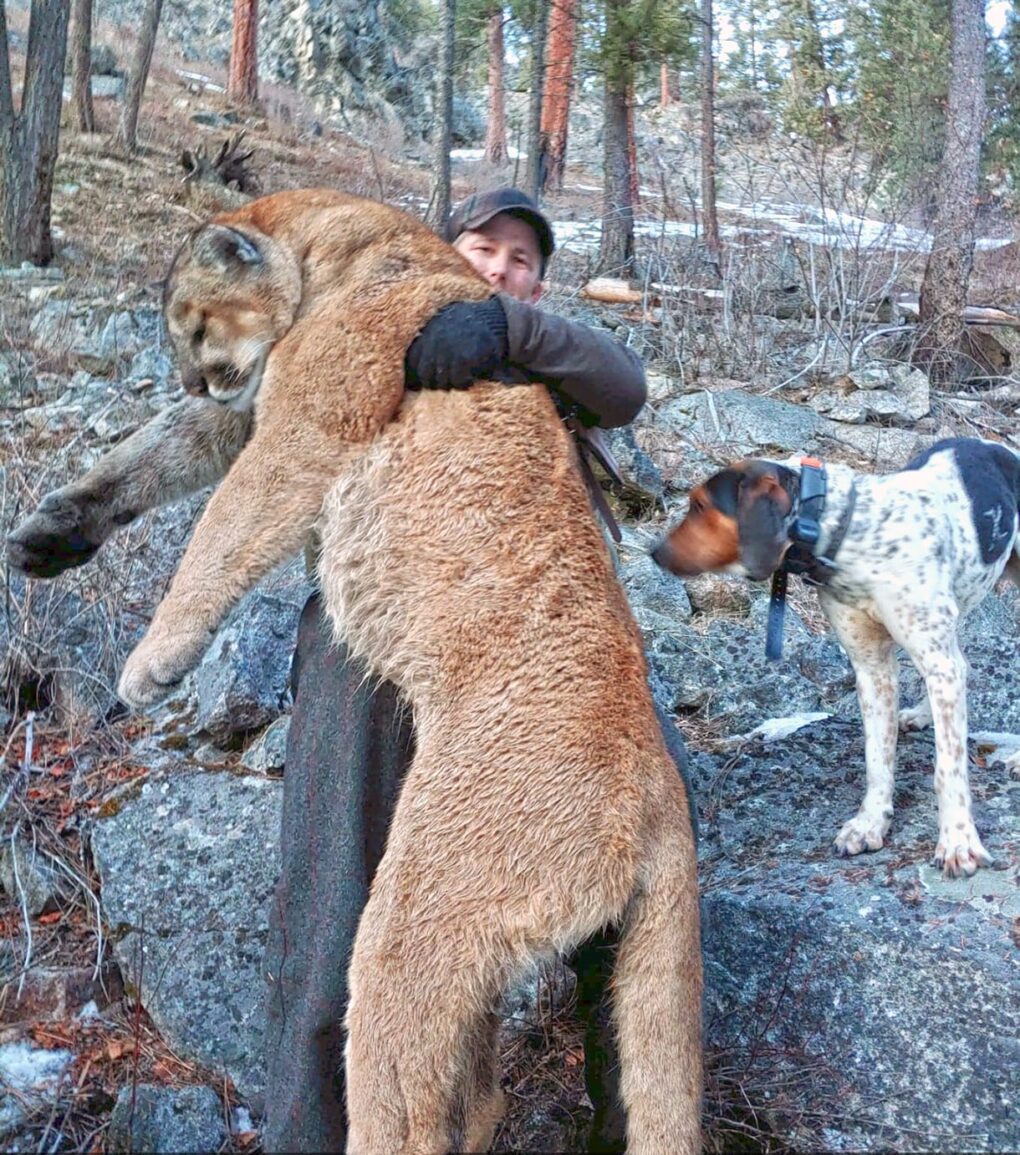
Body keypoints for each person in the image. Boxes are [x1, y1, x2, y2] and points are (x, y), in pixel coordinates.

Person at [261, 187, 693, 1154]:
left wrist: (505, 328)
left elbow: (625, 383)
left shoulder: (543, 351)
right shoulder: (372, 329)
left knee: (655, 831)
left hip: (542, 654)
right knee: (345, 893)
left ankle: (636, 1123)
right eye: (483, 249)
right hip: (375, 642)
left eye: (523, 260)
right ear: (436, 246)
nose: (502, 267)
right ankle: (313, 1134)